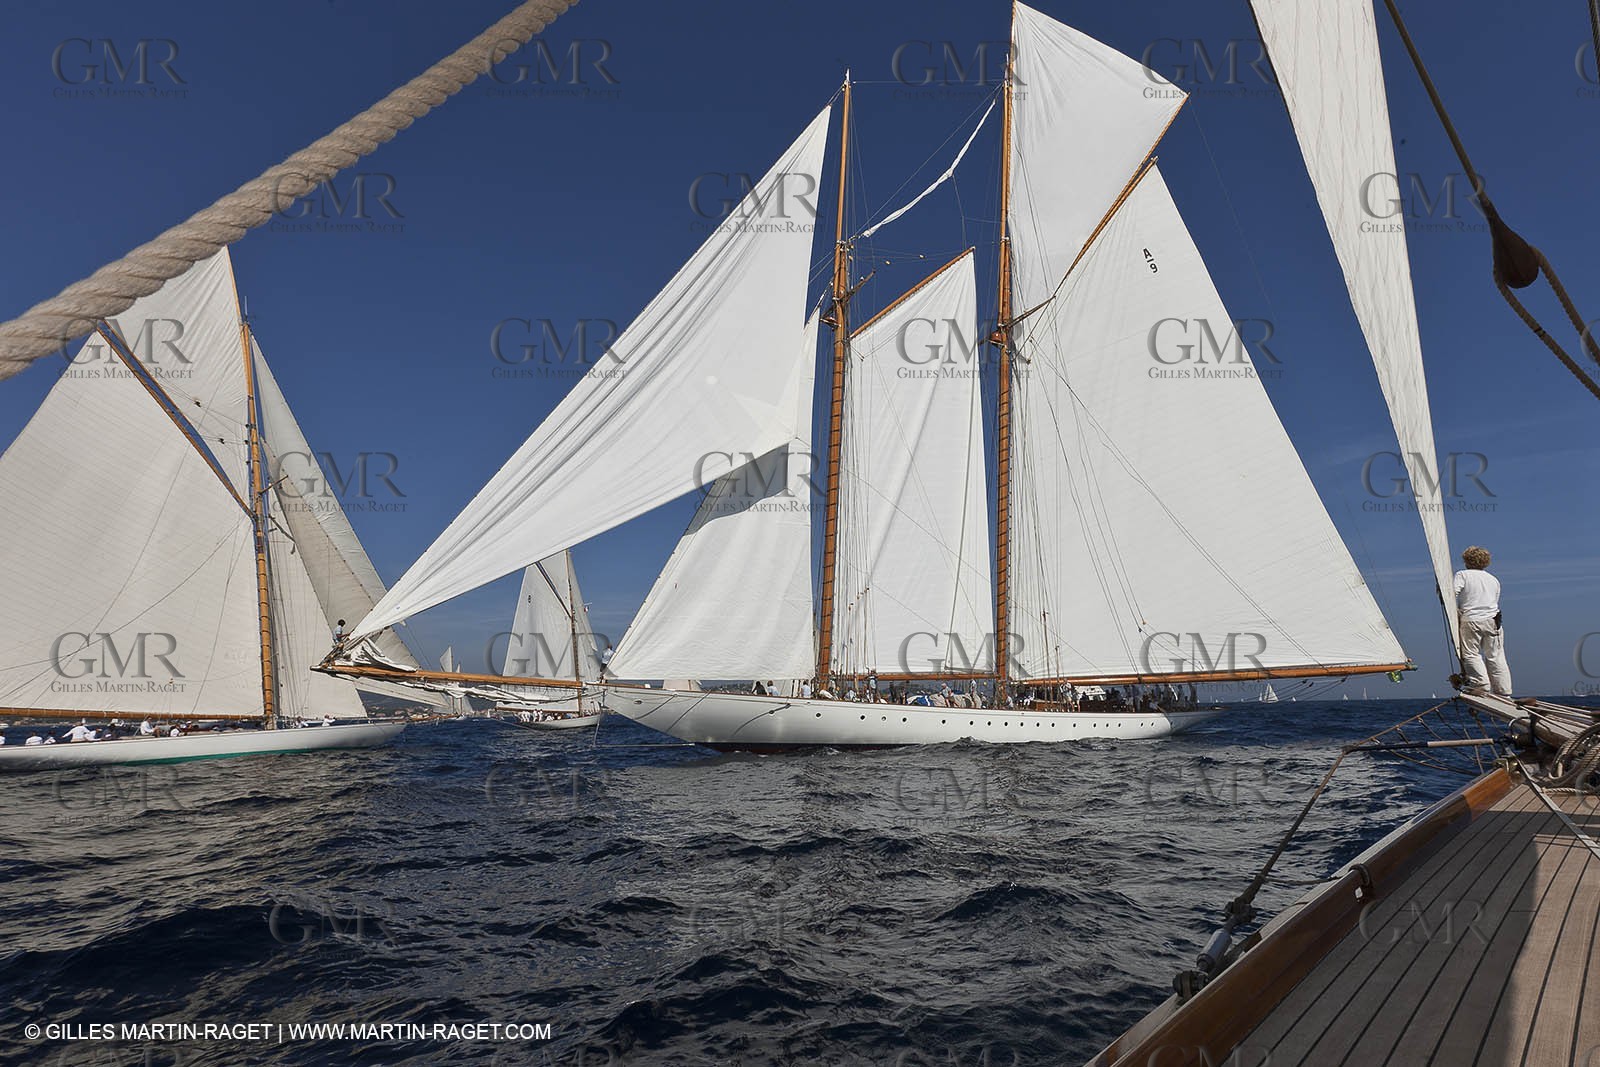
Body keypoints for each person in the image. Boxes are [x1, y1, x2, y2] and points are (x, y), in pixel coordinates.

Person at [1454, 545, 1512, 696]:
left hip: (1471, 620)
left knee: (1471, 654)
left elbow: (1451, 593)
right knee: (1496, 655)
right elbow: (1494, 600)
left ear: (1466, 560)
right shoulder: (1493, 580)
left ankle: (1481, 685)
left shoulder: (1462, 575)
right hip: (1493, 621)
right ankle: (1503, 690)